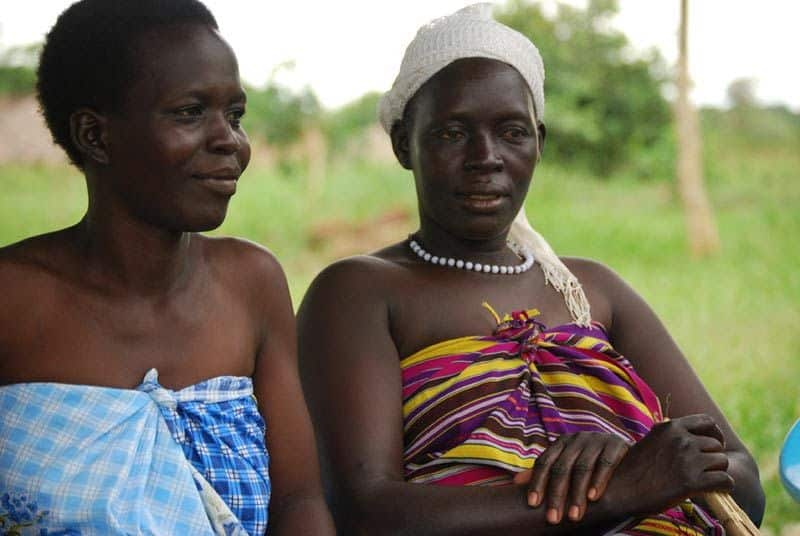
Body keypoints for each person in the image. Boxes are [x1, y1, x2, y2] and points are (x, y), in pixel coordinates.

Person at [297, 4, 765, 534]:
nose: (486, 157)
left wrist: (635, 457)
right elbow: (366, 512)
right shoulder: (359, 292)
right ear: (405, 143)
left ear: (539, 141)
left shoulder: (593, 291)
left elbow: (745, 482)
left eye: (512, 132)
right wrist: (614, 492)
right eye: (453, 133)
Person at [0, 1, 334, 534]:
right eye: (190, 112)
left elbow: (299, 503)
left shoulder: (251, 283)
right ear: (94, 135)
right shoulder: (12, 299)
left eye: (235, 115)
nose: (231, 140)